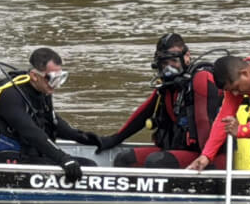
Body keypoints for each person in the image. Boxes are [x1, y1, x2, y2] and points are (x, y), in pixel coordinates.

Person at [95, 33, 226, 169]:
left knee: (156, 161)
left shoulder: (201, 79)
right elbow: (143, 113)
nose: (169, 68)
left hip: (210, 156)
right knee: (125, 159)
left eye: (174, 62)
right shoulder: (167, 86)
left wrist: (205, 159)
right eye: (164, 64)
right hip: (179, 151)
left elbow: (203, 121)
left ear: (187, 57)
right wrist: (114, 139)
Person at [0, 47, 101, 180]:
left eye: (60, 78)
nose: (55, 85)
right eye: (52, 79)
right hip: (6, 159)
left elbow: (53, 122)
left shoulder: (41, 90)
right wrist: (63, 159)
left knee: (87, 165)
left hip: (29, 154)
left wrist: (87, 138)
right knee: (87, 167)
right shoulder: (9, 94)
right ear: (34, 75)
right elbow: (31, 132)